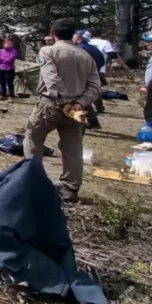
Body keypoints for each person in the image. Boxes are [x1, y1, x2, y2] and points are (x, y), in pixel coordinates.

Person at [23, 19, 101, 203]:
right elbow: (95, 86)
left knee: (33, 138)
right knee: (73, 149)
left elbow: (51, 79)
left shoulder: (48, 51)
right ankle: (70, 189)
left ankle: (31, 181)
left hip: (52, 104)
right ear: (73, 34)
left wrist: (64, 101)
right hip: (76, 110)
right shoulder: (85, 56)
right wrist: (80, 103)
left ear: (53, 32)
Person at [73, 30, 104, 130]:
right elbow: (102, 61)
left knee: (81, 101)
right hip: (92, 77)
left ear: (78, 37)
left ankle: (89, 123)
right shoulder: (94, 49)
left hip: (81, 78)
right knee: (85, 101)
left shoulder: (78, 49)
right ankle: (92, 122)